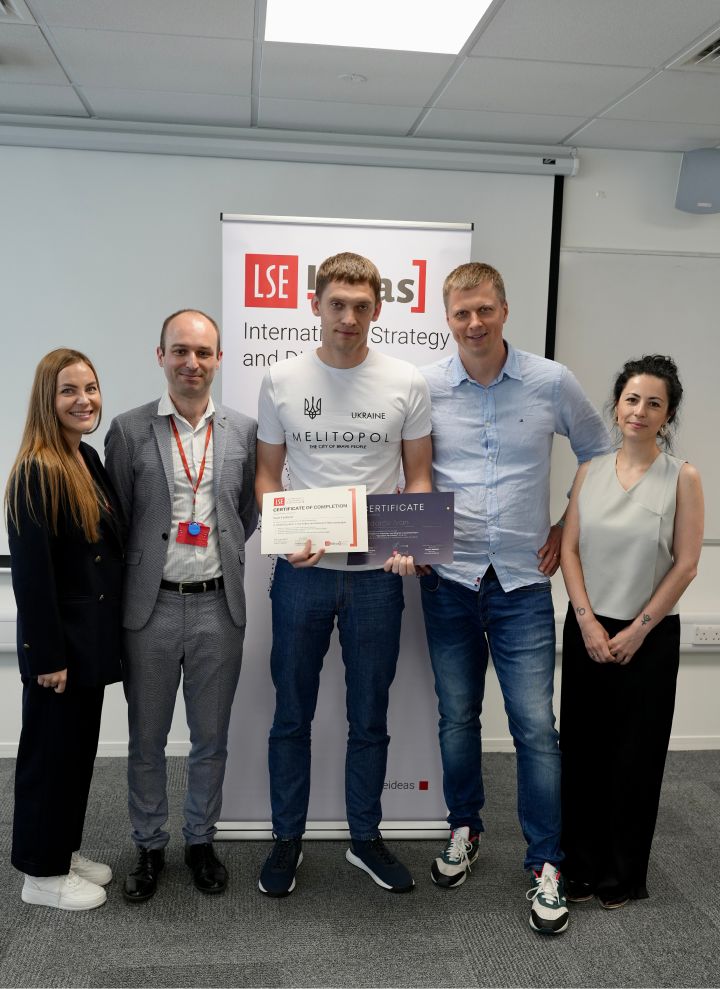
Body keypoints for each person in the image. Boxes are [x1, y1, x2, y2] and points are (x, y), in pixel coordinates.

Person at [417, 262, 613, 934]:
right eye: (461, 312)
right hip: (448, 580)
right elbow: (409, 468)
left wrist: (565, 525)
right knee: (457, 717)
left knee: (535, 728)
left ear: (504, 310)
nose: (474, 323)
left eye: (484, 310)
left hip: (522, 584)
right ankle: (464, 828)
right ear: (448, 318)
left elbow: (598, 451)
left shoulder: (550, 380)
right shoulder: (426, 386)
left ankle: (546, 863)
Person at [254, 252, 432, 897]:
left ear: (377, 309)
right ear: (316, 305)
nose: (349, 317)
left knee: (370, 717)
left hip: (377, 578)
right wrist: (283, 537)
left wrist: (410, 541)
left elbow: (418, 476)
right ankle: (286, 840)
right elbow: (267, 476)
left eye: (361, 306)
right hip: (301, 577)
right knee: (290, 715)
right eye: (337, 304)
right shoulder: (280, 379)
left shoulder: (406, 381)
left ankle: (365, 839)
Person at [104, 309, 257, 902]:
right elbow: (118, 517)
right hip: (152, 609)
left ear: (219, 359)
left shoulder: (244, 431)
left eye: (203, 352)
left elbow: (246, 512)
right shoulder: (128, 429)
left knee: (210, 738)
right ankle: (148, 845)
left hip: (219, 607)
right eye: (180, 351)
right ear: (161, 355)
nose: (192, 363)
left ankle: (200, 841)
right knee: (146, 739)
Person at [559, 355, 703, 909]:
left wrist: (639, 630)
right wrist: (586, 621)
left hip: (649, 637)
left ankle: (621, 875)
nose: (639, 411)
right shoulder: (588, 471)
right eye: (631, 399)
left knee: (633, 760)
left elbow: (686, 565)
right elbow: (569, 550)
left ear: (667, 415)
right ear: (616, 405)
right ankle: (580, 867)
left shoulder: (682, 477)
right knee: (582, 753)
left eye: (654, 403)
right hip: (588, 630)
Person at [6, 348, 123, 911]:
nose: (84, 400)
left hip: (88, 642)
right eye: (69, 391)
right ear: (46, 400)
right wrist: (47, 657)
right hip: (60, 651)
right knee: (49, 759)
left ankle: (62, 851)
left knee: (74, 756)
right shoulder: (37, 469)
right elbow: (32, 576)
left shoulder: (85, 456)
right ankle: (41, 875)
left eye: (91, 388)